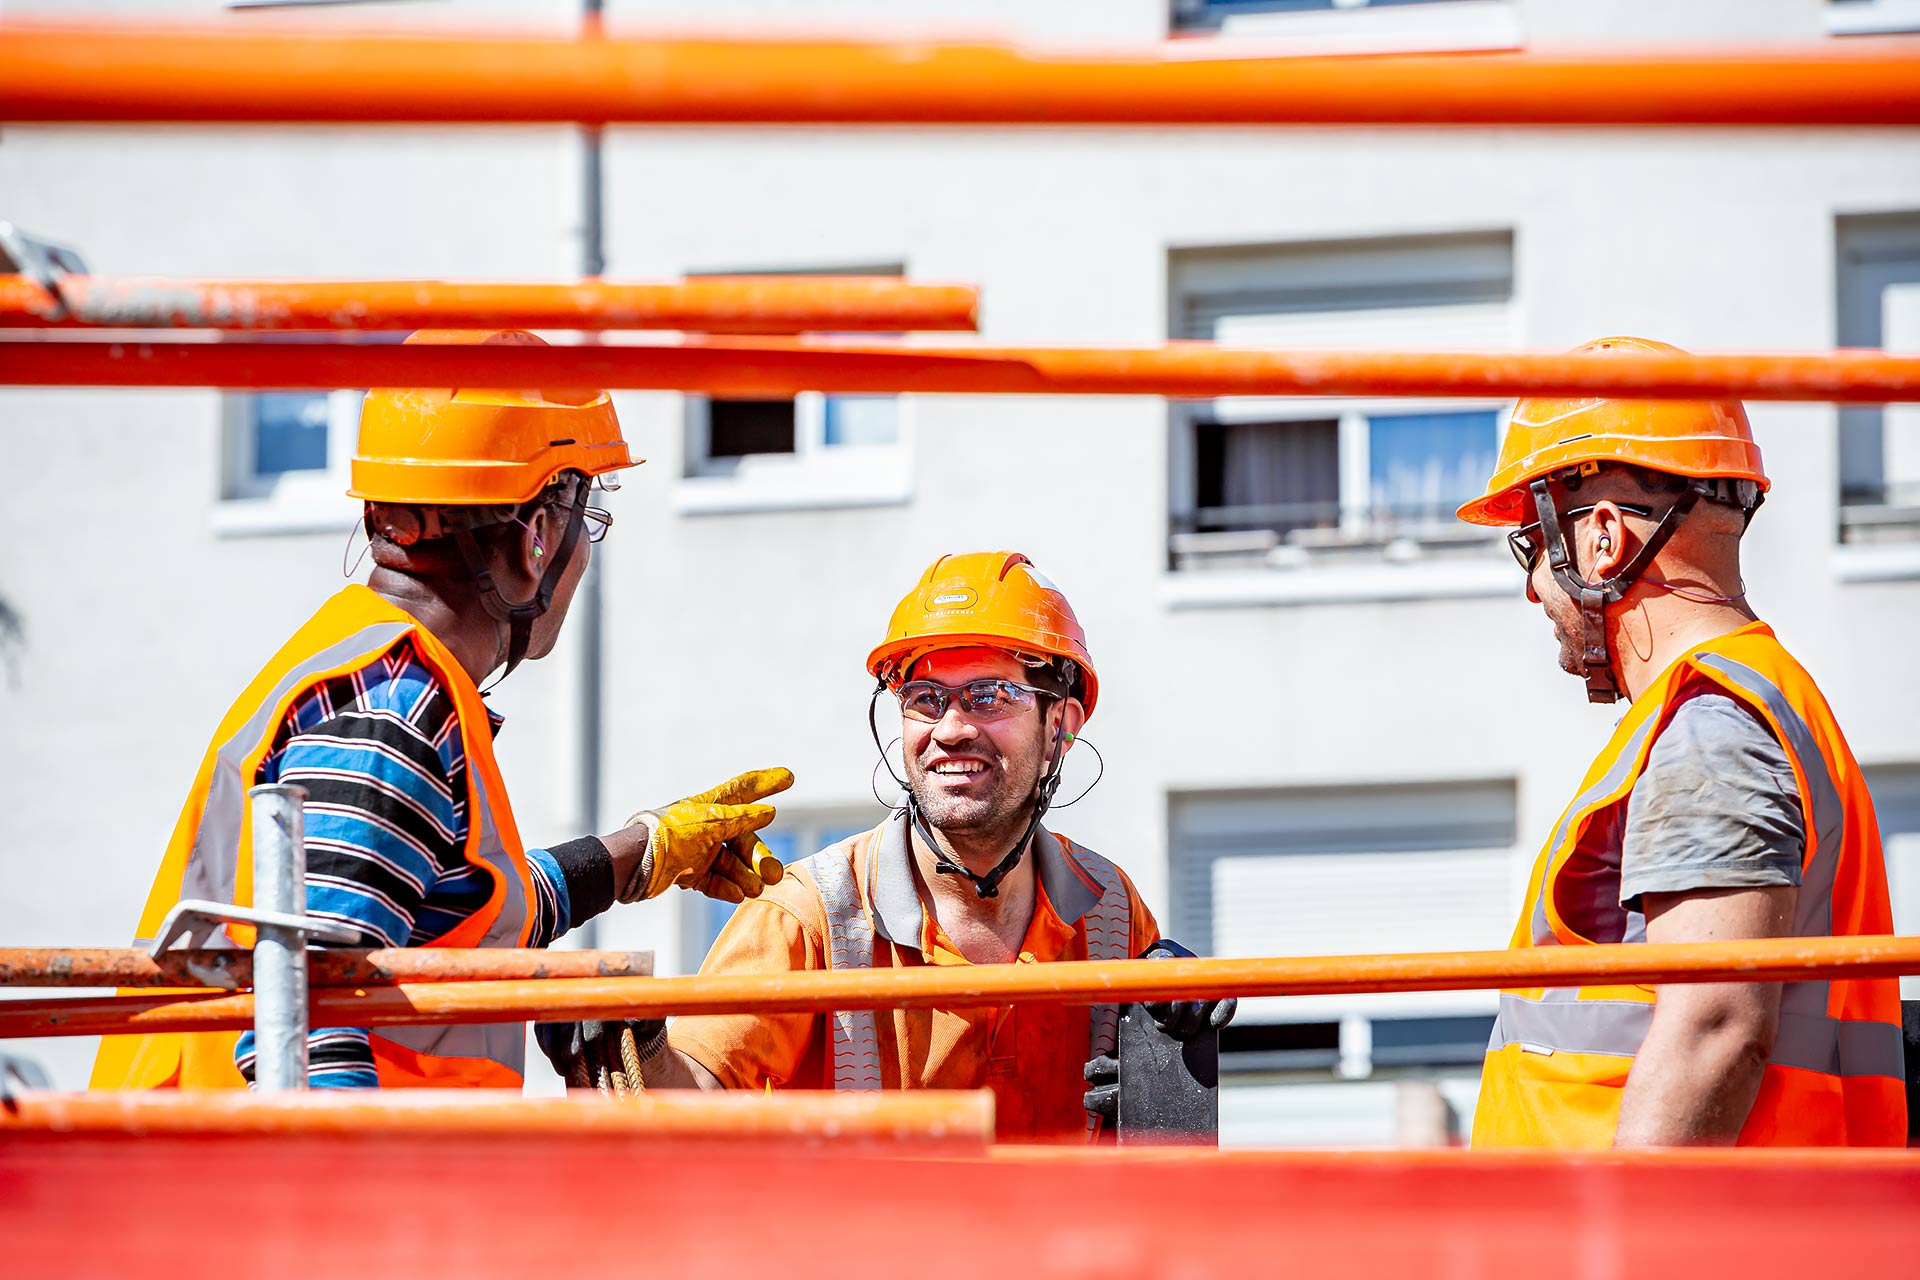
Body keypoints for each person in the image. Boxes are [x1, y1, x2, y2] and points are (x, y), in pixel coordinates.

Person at [92, 329, 791, 1090]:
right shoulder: (392, 713)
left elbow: (457, 917)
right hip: (273, 1197)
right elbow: (306, 1034)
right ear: (537, 538)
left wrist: (639, 853)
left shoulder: (369, 670)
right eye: (586, 523)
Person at [545, 551, 1231, 1140]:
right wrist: (636, 1044)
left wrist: (1171, 1045)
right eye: (925, 698)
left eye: (990, 696)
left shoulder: (1111, 911)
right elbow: (692, 1099)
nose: (952, 729)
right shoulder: (806, 914)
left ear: (1061, 724)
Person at [1460, 336, 1905, 1147]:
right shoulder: (1738, 701)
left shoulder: (1710, 726)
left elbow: (1716, 1032)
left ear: (1601, 538)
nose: (1532, 589)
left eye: (1533, 546)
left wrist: (1623, 1252)